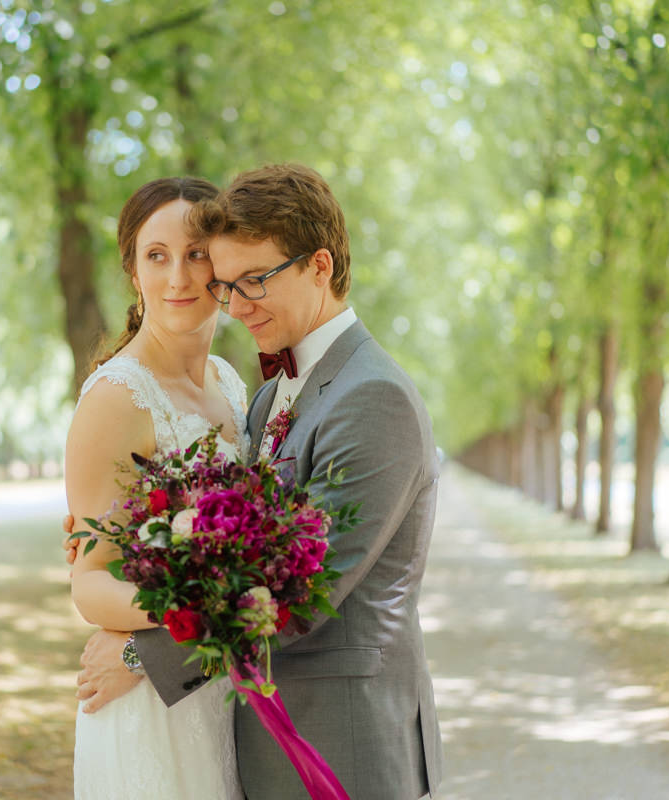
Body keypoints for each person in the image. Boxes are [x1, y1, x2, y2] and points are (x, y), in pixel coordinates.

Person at [74, 164, 443, 799]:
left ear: (320, 266)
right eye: (230, 284)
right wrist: (134, 544)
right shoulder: (269, 393)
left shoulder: (371, 395)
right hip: (245, 725)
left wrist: (142, 654)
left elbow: (304, 592)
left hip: (342, 739)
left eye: (256, 281)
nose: (237, 304)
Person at [66, 176, 247, 799]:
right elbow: (91, 581)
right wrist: (204, 610)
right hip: (150, 712)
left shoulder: (231, 383)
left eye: (197, 253)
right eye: (157, 256)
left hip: (219, 692)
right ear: (134, 273)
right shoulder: (116, 397)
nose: (180, 278)